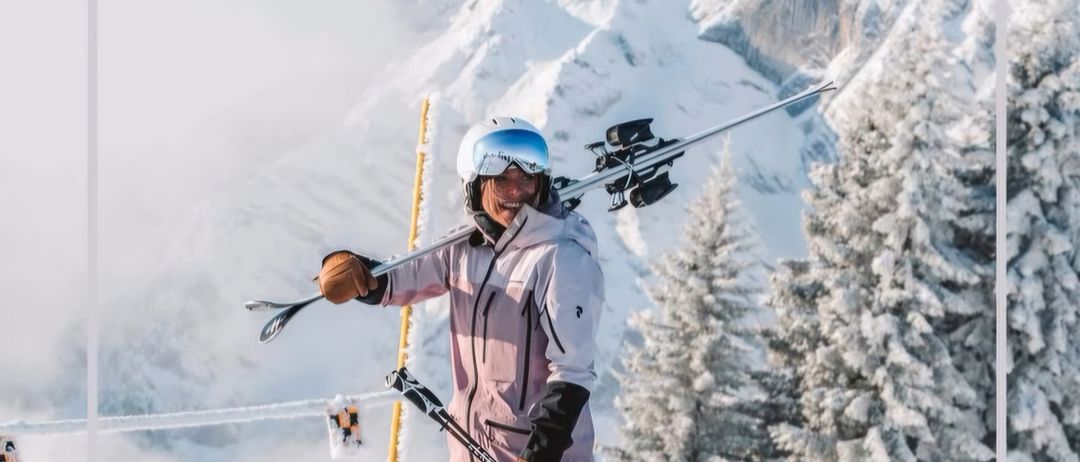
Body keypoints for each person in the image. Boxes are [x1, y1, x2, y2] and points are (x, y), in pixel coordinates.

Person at [318, 117, 604, 461]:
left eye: (526, 177)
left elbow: (572, 374)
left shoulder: (560, 257)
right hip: (470, 449)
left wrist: (539, 454)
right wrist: (362, 278)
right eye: (501, 179)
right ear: (474, 184)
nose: (516, 191)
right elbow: (403, 277)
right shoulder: (465, 248)